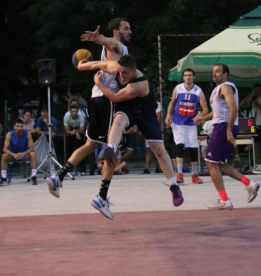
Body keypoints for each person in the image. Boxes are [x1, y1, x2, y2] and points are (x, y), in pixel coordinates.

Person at [74, 55, 184, 219]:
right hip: (128, 109)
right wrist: (81, 65)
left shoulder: (140, 84)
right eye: (119, 72)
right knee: (117, 122)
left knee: (158, 149)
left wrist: (99, 84)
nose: (121, 76)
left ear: (133, 72)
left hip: (145, 113)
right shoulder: (116, 68)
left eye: (125, 74)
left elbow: (115, 97)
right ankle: (111, 148)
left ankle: (174, 186)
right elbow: (97, 64)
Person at [46, 19, 131, 200]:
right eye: (126, 28)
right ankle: (102, 197)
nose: (130, 31)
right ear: (116, 31)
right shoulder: (117, 46)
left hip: (96, 98)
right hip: (107, 100)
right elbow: (109, 42)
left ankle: (58, 177)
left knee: (90, 145)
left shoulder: (118, 50)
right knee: (112, 148)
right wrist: (97, 38)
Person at [194, 63, 260, 210]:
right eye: (213, 71)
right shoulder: (218, 89)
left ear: (225, 74)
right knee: (216, 164)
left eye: (218, 71)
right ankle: (250, 184)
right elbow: (218, 111)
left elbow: (234, 108)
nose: (214, 74)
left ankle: (225, 200)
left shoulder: (226, 87)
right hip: (221, 125)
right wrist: (203, 118)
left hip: (224, 127)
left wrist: (229, 130)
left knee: (210, 163)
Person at [165, 68, 209, 184]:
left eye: (190, 75)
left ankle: (194, 175)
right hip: (178, 122)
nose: (188, 77)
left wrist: (200, 117)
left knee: (193, 147)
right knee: (179, 144)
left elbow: (205, 109)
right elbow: (172, 103)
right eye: (185, 75)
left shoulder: (198, 90)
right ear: (183, 77)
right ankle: (180, 174)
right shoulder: (178, 88)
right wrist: (168, 115)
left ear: (193, 77)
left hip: (191, 123)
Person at [0, 119, 38, 186]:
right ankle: (3, 178)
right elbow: (4, 149)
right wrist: (13, 154)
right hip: (13, 155)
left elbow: (32, 148)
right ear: (14, 127)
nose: (19, 128)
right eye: (18, 126)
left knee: (33, 154)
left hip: (24, 154)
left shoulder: (27, 133)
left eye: (21, 126)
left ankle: (34, 177)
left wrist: (24, 153)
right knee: (4, 156)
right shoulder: (9, 134)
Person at [239, 83, 261, 165]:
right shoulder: (251, 99)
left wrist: (257, 103)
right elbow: (241, 105)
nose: (256, 92)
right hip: (252, 124)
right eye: (254, 90)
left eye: (258, 90)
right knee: (254, 143)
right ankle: (254, 163)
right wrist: (249, 96)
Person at [64, 106, 86, 175]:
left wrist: (76, 131)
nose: (75, 113)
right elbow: (67, 130)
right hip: (70, 134)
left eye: (76, 111)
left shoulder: (81, 117)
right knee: (69, 151)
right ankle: (69, 169)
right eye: (73, 112)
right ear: (70, 112)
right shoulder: (67, 117)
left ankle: (82, 169)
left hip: (79, 134)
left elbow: (82, 130)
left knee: (81, 151)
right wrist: (72, 132)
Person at [143, 102, 163, 174]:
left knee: (157, 149)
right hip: (147, 128)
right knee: (148, 149)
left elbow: (158, 118)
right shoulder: (145, 104)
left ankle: (158, 167)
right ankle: (147, 168)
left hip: (154, 128)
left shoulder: (157, 104)